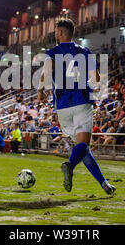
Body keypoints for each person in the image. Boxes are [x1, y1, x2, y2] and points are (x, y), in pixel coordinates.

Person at [37, 18, 116, 195]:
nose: (55, 34)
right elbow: (96, 79)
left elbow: (46, 73)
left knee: (81, 147)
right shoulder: (84, 51)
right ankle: (70, 165)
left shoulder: (52, 52)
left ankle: (103, 184)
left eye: (56, 31)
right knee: (83, 146)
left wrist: (40, 91)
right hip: (82, 101)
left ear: (61, 33)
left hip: (63, 105)